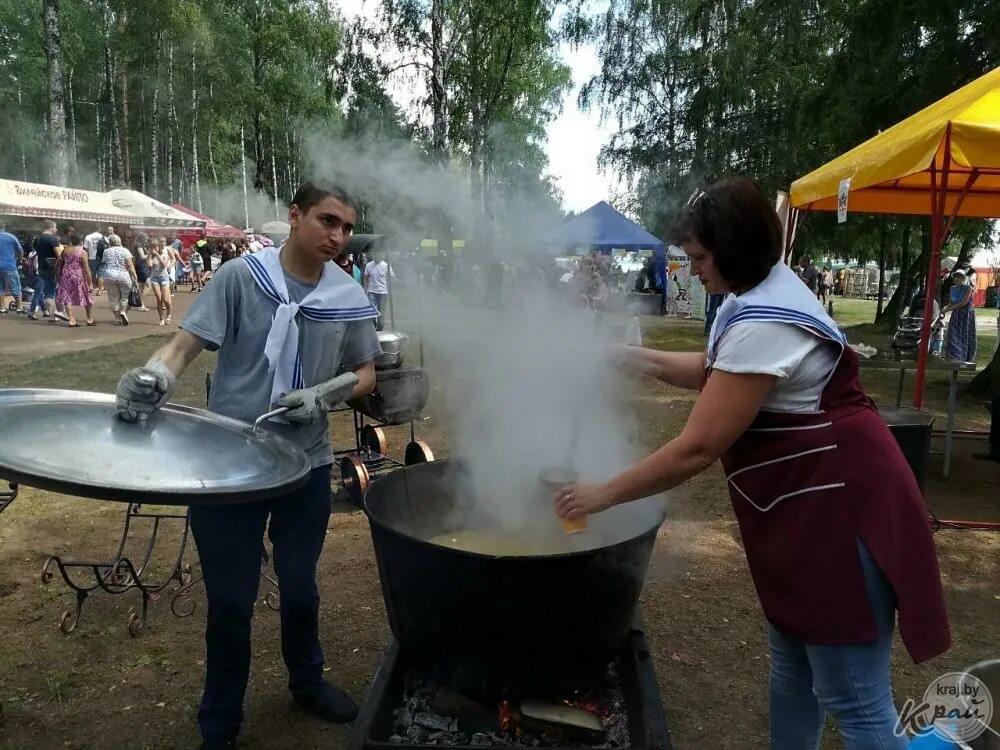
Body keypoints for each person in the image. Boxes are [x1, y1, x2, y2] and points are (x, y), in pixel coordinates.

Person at [554, 177, 950, 750]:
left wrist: (603, 494)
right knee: (792, 672)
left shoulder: (768, 320)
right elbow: (716, 370)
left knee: (855, 702)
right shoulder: (752, 297)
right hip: (806, 511)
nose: (691, 270)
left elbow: (698, 446)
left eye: (698, 258)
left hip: (842, 512)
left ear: (733, 250)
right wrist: (625, 355)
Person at [114, 183, 381, 750]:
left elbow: (367, 374)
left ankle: (306, 681)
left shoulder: (346, 294)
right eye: (327, 221)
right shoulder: (243, 278)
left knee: (302, 590)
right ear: (295, 216)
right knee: (230, 603)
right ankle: (220, 720)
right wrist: (156, 375)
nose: (337, 236)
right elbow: (186, 345)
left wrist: (328, 392)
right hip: (229, 466)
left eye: (346, 227)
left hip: (305, 466)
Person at [55, 234, 95, 326]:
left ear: (71, 242)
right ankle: (89, 319)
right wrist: (90, 283)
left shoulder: (65, 250)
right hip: (78, 274)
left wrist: (58, 275)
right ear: (80, 242)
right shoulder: (82, 252)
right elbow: (86, 268)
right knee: (87, 295)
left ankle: (71, 320)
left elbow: (60, 263)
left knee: (67, 296)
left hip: (66, 274)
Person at [101, 234, 139, 325]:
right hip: (123, 275)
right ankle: (123, 312)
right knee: (125, 297)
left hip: (110, 275)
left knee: (113, 298)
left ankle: (117, 318)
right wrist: (134, 275)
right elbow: (129, 265)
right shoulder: (125, 250)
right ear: (120, 241)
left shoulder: (106, 251)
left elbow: (104, 262)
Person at [942, 269, 977, 362]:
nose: (957, 279)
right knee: (953, 334)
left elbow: (963, 303)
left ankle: (965, 356)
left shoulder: (968, 288)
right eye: (956, 277)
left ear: (963, 278)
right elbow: (952, 302)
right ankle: (954, 356)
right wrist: (944, 309)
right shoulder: (952, 288)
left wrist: (948, 309)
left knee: (965, 334)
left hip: (966, 315)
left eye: (960, 277)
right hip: (956, 314)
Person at [146, 238, 174, 326]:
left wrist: (157, 254)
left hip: (164, 278)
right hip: (154, 279)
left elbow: (164, 264)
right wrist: (150, 255)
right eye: (152, 247)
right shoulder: (150, 255)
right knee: (159, 298)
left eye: (155, 247)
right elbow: (150, 265)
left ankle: (169, 315)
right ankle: (161, 318)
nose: (154, 249)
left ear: (159, 247)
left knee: (166, 300)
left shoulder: (165, 254)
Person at [364, 248, 393, 331]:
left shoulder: (386, 265)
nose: (376, 256)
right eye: (374, 254)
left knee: (381, 311)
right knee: (371, 310)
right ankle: (373, 326)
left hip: (383, 292)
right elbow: (366, 278)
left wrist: (390, 288)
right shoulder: (368, 265)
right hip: (371, 292)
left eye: (378, 254)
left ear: (382, 255)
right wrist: (365, 289)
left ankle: (380, 328)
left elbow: (391, 278)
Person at [0, 222, 24, 314]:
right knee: (16, 286)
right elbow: (20, 251)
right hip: (9, 265)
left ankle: (2, 308)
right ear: (4, 226)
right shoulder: (11, 236)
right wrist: (18, 261)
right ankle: (19, 307)